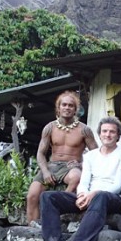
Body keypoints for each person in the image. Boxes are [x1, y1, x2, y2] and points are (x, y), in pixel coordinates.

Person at [24, 116, 121, 241]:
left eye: (112, 132)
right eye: (104, 131)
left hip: (111, 197)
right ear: (99, 133)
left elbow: (118, 185)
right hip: (88, 195)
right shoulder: (90, 156)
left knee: (100, 196)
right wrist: (82, 194)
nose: (108, 135)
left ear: (118, 135)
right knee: (48, 197)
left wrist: (92, 194)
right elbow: (84, 181)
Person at [26, 90, 98, 226]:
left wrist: (81, 164)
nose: (67, 108)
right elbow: (41, 153)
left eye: (71, 105)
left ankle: (59, 206)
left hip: (71, 167)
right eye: (64, 105)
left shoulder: (84, 130)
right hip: (52, 166)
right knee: (32, 195)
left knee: (76, 177)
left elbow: (96, 154)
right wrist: (46, 172)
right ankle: (32, 228)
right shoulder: (50, 127)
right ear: (58, 108)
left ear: (76, 109)